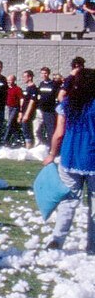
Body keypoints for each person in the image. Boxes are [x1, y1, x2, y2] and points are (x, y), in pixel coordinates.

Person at [43, 68, 95, 254]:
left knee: (68, 202)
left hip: (70, 157)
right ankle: (93, 246)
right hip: (92, 158)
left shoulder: (66, 104)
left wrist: (51, 154)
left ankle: (57, 239)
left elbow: (58, 134)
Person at [35, 67, 61, 146]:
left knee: (51, 131)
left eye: (45, 73)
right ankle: (44, 145)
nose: (44, 75)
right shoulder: (41, 84)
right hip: (40, 110)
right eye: (42, 73)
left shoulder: (54, 84)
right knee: (37, 131)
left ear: (48, 74)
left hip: (50, 111)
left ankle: (52, 148)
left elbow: (58, 96)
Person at [19, 70, 39, 149]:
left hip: (28, 113)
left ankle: (29, 147)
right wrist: (21, 112)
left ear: (30, 77)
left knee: (27, 130)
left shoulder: (33, 88)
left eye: (25, 77)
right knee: (25, 129)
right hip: (24, 112)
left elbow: (32, 102)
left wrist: (27, 114)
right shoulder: (27, 88)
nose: (23, 78)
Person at [4, 75, 23, 147]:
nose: (8, 81)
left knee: (9, 123)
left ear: (14, 80)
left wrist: (21, 110)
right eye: (8, 80)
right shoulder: (7, 89)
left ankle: (5, 140)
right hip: (10, 108)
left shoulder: (17, 89)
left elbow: (21, 99)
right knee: (13, 125)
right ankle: (17, 139)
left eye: (10, 80)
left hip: (15, 108)